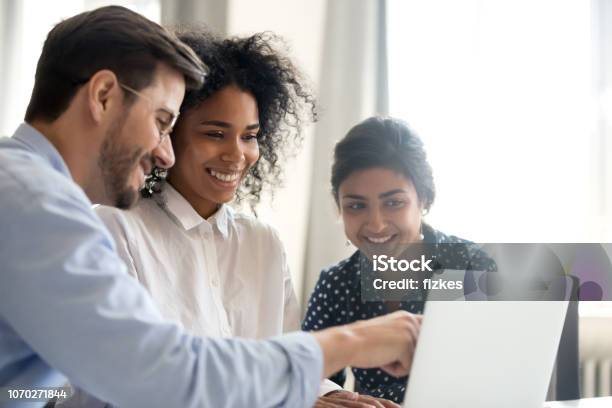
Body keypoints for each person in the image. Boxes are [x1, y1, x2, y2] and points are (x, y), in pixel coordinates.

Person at [0, 7, 420, 407]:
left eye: (394, 201)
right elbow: (161, 373)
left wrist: (317, 392)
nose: (163, 153)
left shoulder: (26, 190)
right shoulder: (38, 204)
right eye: (163, 121)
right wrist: (358, 341)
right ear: (104, 95)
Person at [303, 116, 496, 404]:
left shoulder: (473, 266)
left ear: (424, 199)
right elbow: (309, 373)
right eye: (356, 206)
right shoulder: (335, 283)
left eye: (393, 203)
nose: (376, 224)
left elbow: (503, 374)